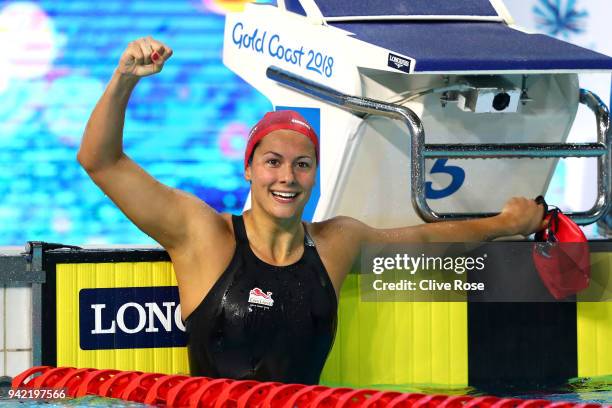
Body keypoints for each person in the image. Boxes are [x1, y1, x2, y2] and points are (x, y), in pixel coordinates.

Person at [77, 37, 547, 384]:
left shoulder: (335, 242)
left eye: (302, 165)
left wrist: (507, 223)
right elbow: (101, 162)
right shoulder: (205, 236)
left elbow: (423, 240)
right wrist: (122, 80)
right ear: (248, 169)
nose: (287, 177)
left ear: (314, 174)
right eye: (273, 162)